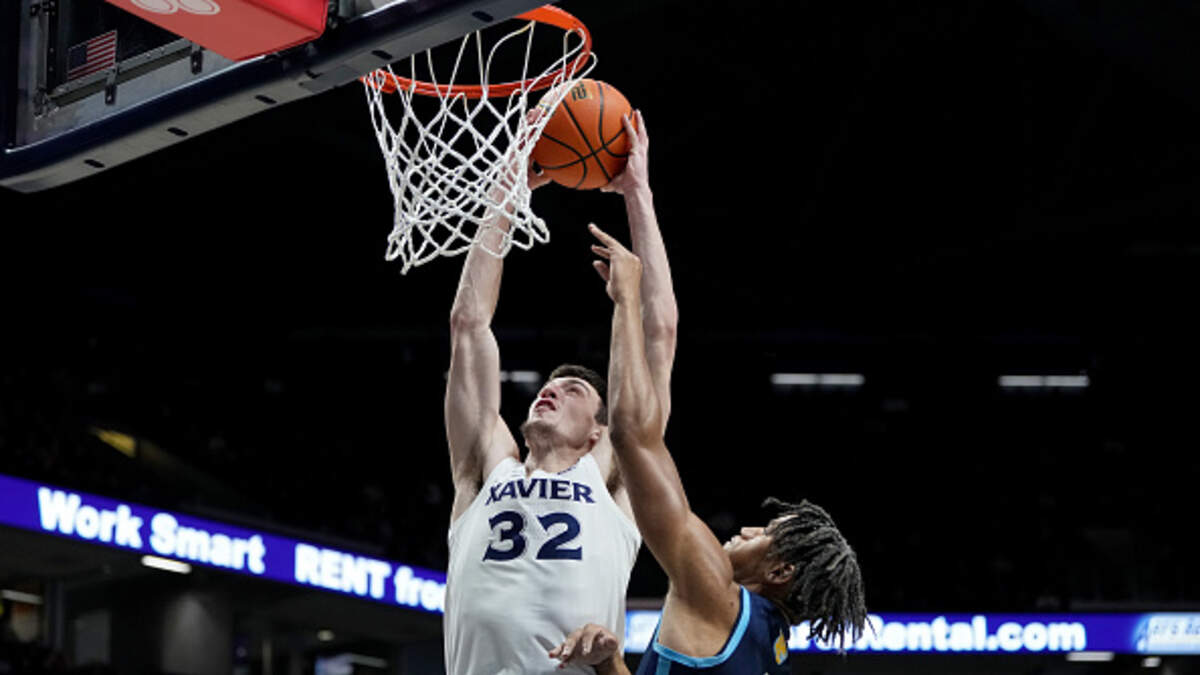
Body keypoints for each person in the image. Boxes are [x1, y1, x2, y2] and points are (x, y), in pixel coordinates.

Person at [553, 224, 868, 674]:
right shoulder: (772, 647)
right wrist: (609, 663)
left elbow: (630, 436)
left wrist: (625, 302)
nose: (748, 529)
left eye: (766, 533)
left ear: (779, 572)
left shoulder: (717, 593)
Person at [442, 111, 678, 675]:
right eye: (547, 386)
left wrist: (637, 194)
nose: (549, 391)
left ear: (598, 431)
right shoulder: (483, 470)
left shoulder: (610, 475)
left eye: (571, 390)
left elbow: (659, 336)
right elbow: (469, 324)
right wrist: (506, 190)